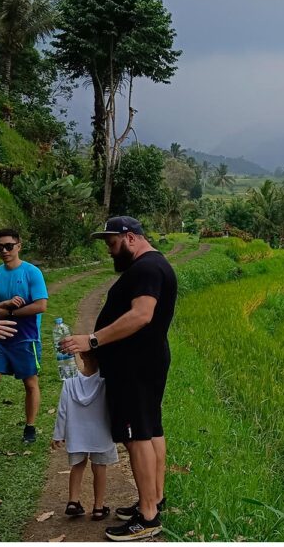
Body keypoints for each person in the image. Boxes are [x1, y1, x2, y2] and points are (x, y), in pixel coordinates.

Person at [60, 216, 177, 541]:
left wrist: (92, 341)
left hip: (135, 365)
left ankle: (148, 518)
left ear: (129, 237)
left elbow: (142, 315)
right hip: (146, 361)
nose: (111, 252)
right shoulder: (154, 264)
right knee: (151, 428)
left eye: (112, 244)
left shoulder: (146, 268)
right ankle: (152, 499)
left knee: (136, 434)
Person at [0, 228, 48, 450]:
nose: (4, 251)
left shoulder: (32, 272)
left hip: (26, 337)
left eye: (9, 246)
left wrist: (11, 313)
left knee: (30, 382)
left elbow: (41, 305)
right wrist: (5, 305)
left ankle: (30, 427)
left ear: (19, 246)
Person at [51, 350, 118, 521]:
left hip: (76, 433)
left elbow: (62, 409)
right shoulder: (107, 380)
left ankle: (73, 501)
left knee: (78, 466)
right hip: (101, 433)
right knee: (99, 467)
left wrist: (58, 434)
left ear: (81, 356)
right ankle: (98, 507)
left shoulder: (70, 380)